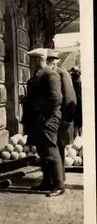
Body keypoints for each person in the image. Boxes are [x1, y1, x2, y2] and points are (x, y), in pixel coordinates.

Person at [23, 48, 64, 197]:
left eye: (31, 60)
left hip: (48, 118)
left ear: (37, 60)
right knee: (43, 151)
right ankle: (47, 181)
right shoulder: (39, 75)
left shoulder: (50, 74)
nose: (30, 63)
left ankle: (59, 185)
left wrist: (39, 109)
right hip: (40, 119)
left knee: (51, 150)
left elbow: (56, 99)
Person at [46, 49, 77, 182]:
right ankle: (50, 178)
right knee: (51, 148)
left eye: (50, 60)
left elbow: (70, 98)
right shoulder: (46, 74)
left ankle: (60, 178)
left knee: (59, 148)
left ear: (53, 61)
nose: (48, 62)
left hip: (62, 119)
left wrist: (67, 119)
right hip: (50, 119)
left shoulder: (62, 73)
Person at [69, 67, 82, 137]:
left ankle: (77, 136)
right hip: (80, 106)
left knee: (76, 125)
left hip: (75, 105)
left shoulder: (73, 84)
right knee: (79, 125)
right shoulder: (80, 83)